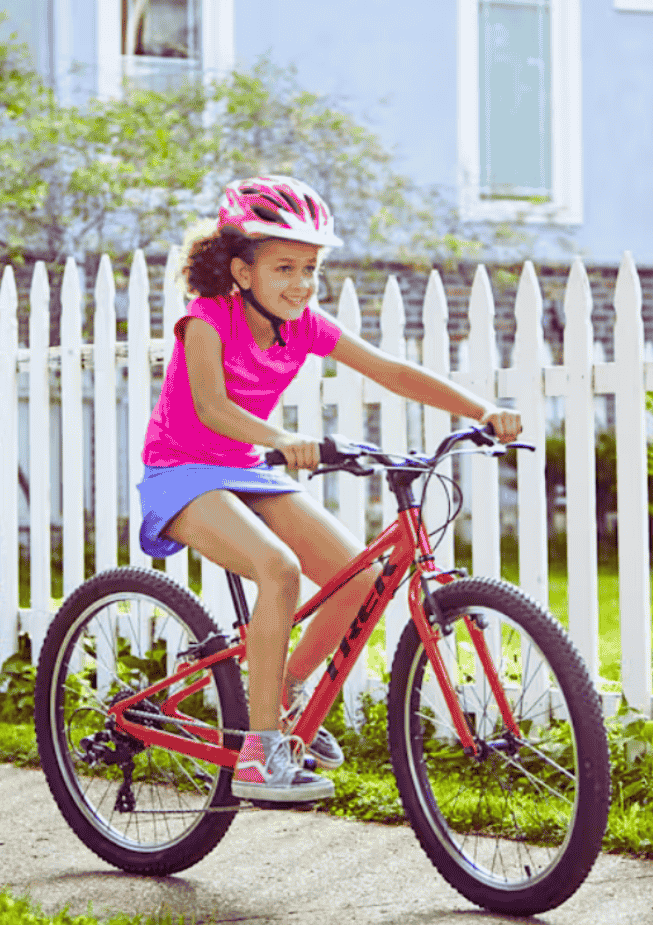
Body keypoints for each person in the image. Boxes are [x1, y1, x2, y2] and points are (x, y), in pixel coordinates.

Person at [139, 175, 523, 803]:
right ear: (241, 271)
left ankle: (283, 689)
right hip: (182, 470)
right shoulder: (205, 319)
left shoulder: (304, 326)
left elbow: (389, 370)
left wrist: (482, 410)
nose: (301, 284)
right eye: (284, 268)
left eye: (310, 269)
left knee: (361, 579)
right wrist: (283, 437)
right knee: (279, 569)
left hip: (251, 467)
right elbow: (211, 407)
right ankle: (259, 752)